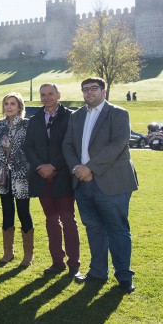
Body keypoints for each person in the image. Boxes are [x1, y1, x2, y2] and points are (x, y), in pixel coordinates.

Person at [63, 77, 138, 294]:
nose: (89, 93)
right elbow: (67, 145)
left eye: (93, 88)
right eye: (85, 89)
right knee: (94, 229)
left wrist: (90, 168)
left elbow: (118, 144)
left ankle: (124, 277)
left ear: (103, 91)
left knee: (118, 229)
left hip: (112, 183)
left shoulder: (118, 114)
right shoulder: (76, 116)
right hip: (83, 183)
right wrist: (77, 168)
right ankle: (97, 272)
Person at [24, 84, 81, 277]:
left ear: (58, 95)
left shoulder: (70, 117)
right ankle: (57, 261)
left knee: (68, 219)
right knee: (51, 220)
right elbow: (28, 147)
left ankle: (74, 263)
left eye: (50, 94)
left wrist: (53, 166)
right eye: (43, 94)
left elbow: (72, 145)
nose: (46, 97)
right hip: (42, 178)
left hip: (63, 176)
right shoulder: (35, 119)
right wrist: (40, 166)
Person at [0, 92, 33, 267]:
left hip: (21, 175)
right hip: (3, 175)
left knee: (23, 212)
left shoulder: (27, 125)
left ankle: (28, 255)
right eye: (6, 104)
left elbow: (32, 149)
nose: (9, 107)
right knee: (7, 213)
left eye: (13, 104)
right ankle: (8, 252)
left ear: (20, 107)